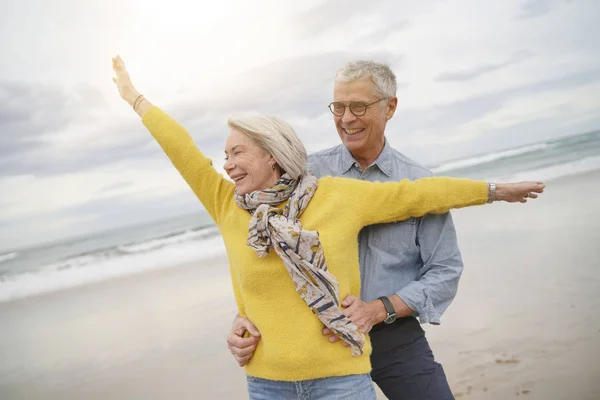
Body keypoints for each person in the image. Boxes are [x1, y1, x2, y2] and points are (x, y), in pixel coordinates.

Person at [111, 55, 544, 400]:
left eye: (359, 107)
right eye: (339, 107)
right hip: (292, 361)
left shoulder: (348, 189)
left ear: (388, 108)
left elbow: (425, 216)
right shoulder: (280, 186)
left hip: (385, 337)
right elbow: (189, 160)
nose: (347, 117)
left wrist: (493, 189)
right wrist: (243, 319)